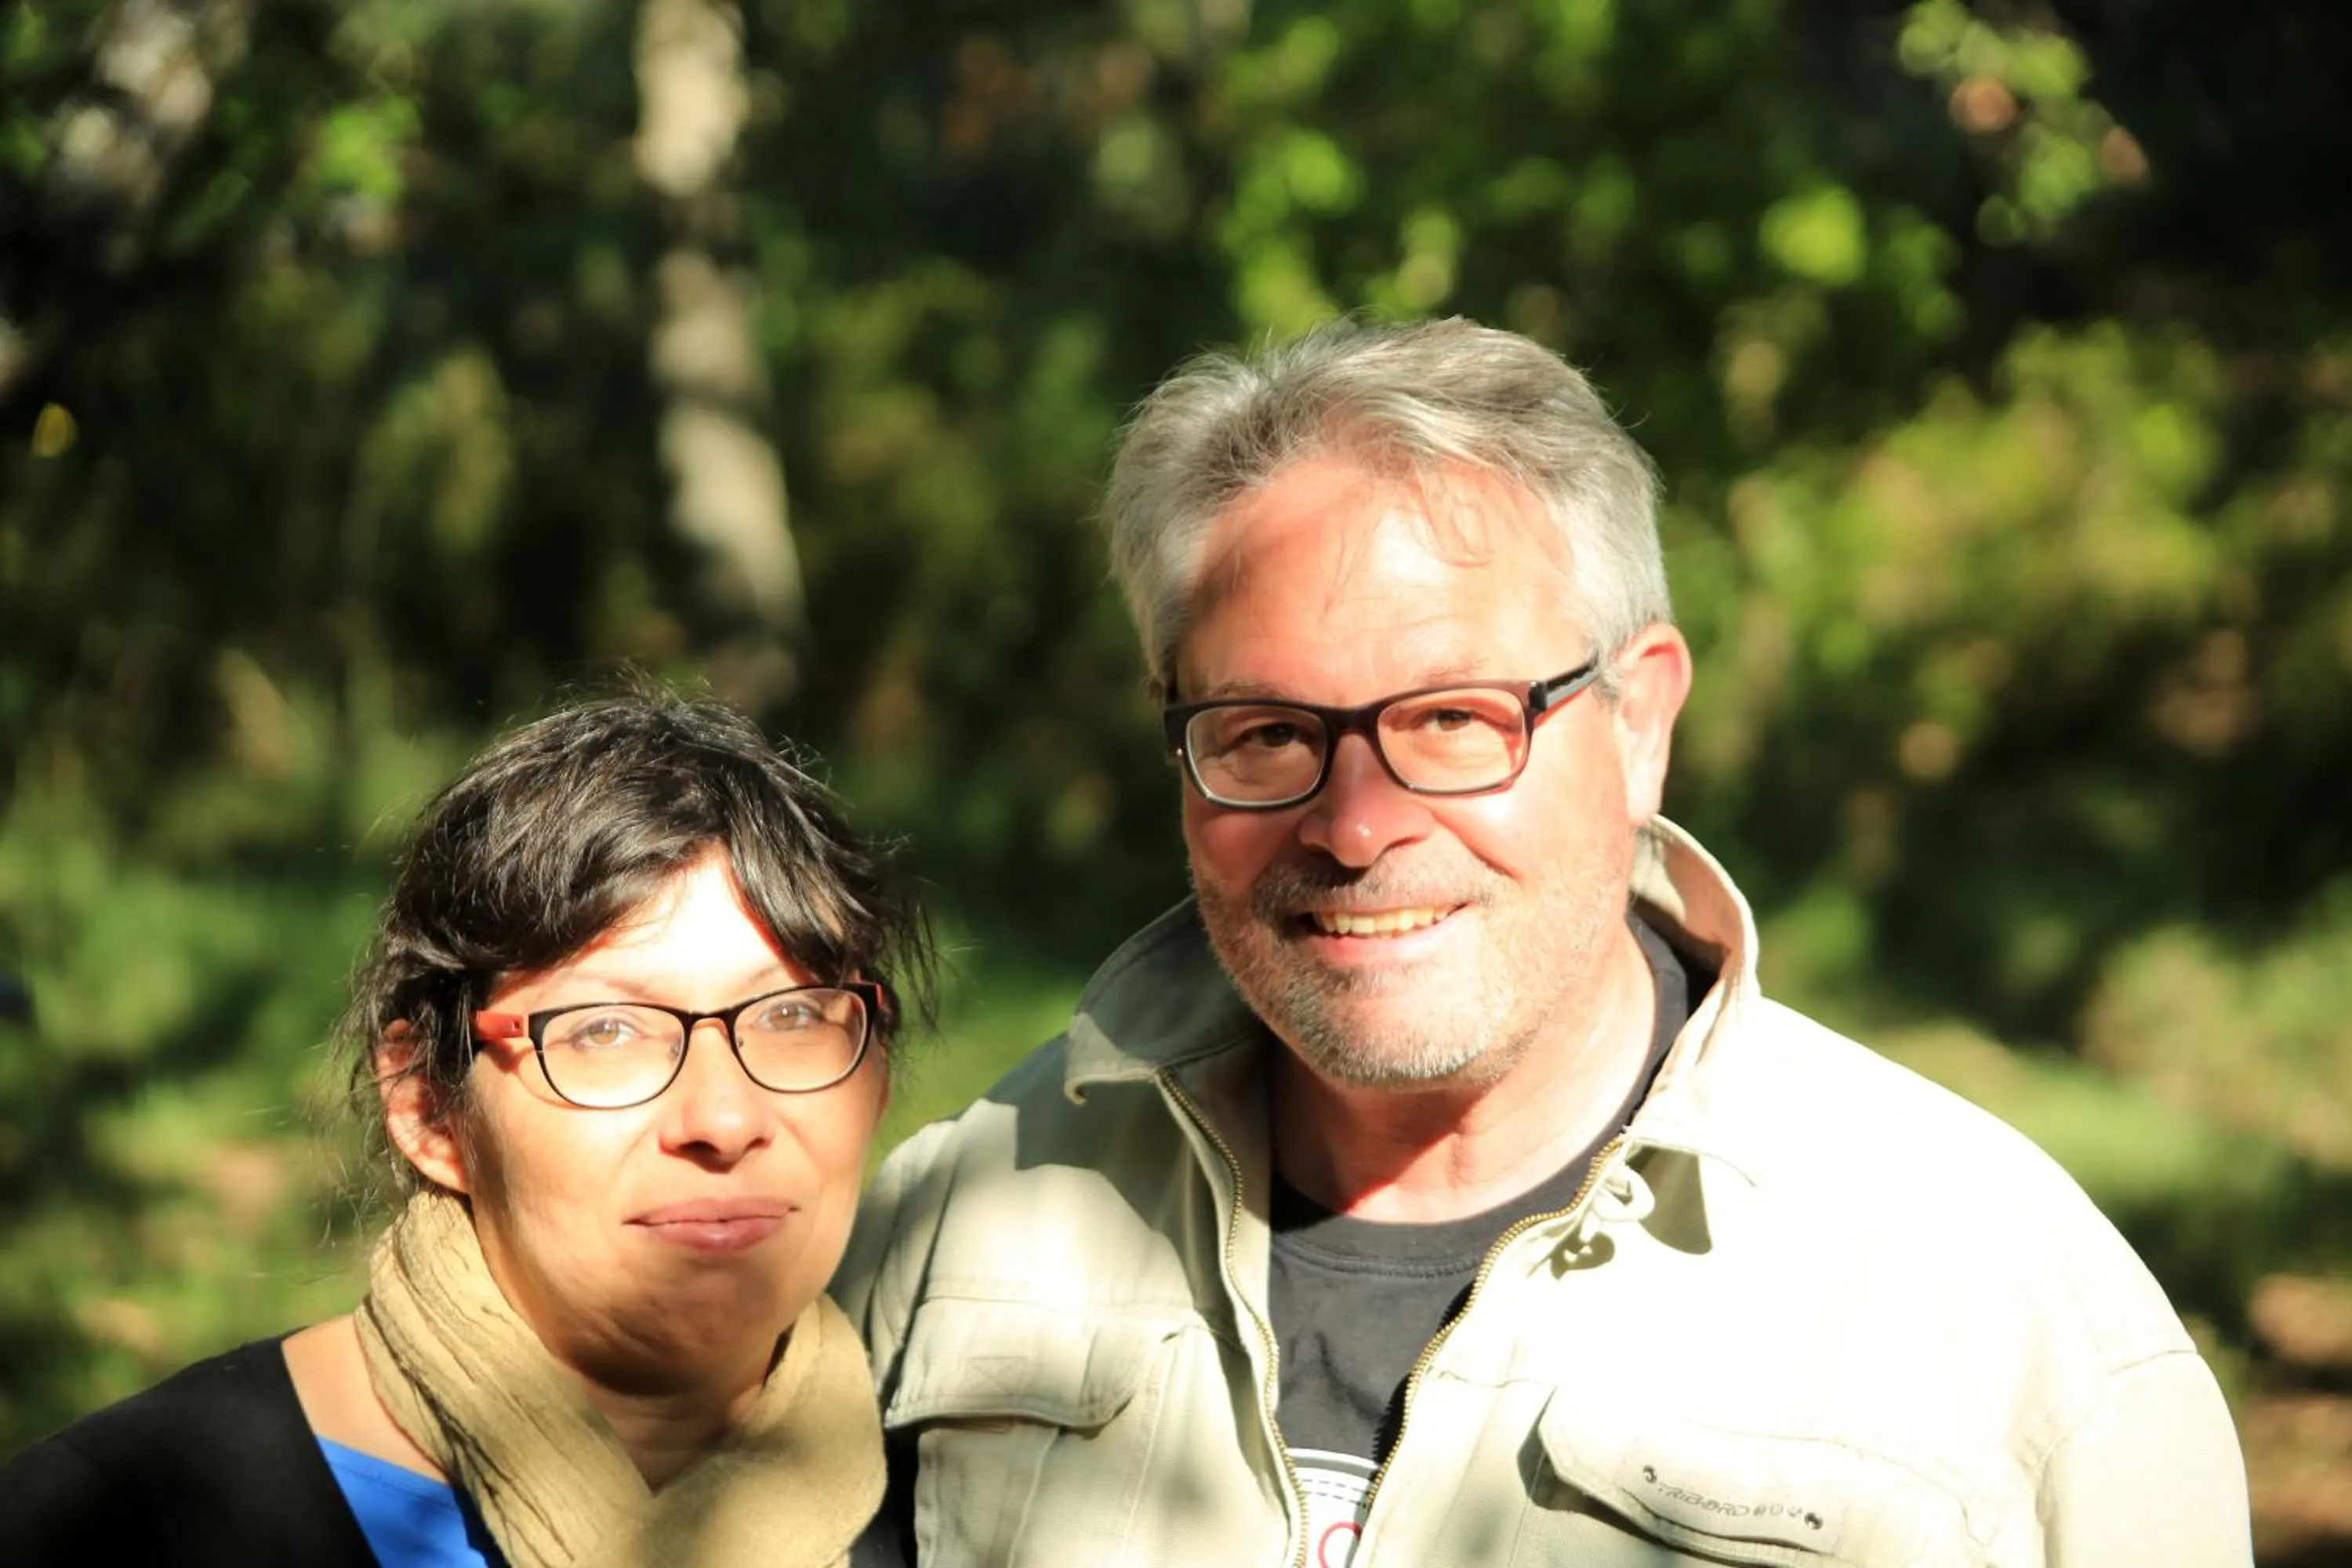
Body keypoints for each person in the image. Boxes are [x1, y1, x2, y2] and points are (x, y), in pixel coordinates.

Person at [833, 318, 2252, 1566]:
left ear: (1640, 722)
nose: (1357, 825)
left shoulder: (2005, 1323)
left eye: (1453, 718)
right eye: (1266, 734)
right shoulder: (967, 1223)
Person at [2, 688, 930, 1567]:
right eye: (606, 1030)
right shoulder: (125, 1524)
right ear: (425, 1105)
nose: (724, 1118)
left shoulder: (979, 1495)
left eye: (793, 1017)